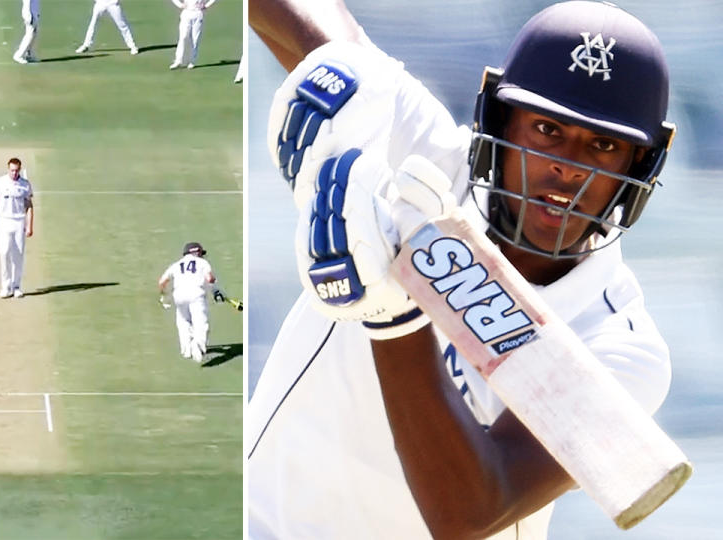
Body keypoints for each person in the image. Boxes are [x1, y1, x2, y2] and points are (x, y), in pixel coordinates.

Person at [248, 1, 677, 538]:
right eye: (546, 129)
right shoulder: (427, 161)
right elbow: (323, 37)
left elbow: (471, 514)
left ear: (640, 165)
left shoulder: (620, 348)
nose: (568, 167)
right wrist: (341, 70)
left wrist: (394, 320)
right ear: (500, 121)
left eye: (604, 145)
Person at [158, 242, 226, 362]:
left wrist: (165, 297)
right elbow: (209, 278)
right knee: (201, 324)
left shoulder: (176, 265)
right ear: (198, 252)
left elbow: (162, 282)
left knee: (183, 322)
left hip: (179, 296)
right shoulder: (203, 263)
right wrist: (216, 291)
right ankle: (198, 347)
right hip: (196, 295)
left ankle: (186, 349)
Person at [0, 158, 34, 298]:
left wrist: (29, 225)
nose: (14, 173)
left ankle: (16, 286)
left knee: (18, 254)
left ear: (20, 170)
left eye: (16, 170)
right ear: (8, 169)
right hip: (3, 220)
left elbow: (29, 206)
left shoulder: (25, 185)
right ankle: (5, 286)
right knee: (4, 252)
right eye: (12, 170)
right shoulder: (0, 182)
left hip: (19, 221)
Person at [74, 0, 140, 56]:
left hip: (113, 4)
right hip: (100, 4)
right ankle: (86, 45)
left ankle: (132, 46)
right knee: (93, 24)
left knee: (122, 25)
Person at [169, 0, 216, 70]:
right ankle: (178, 60)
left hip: (198, 13)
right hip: (186, 13)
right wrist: (179, 5)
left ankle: (192, 61)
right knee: (183, 37)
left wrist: (207, 5)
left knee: (195, 39)